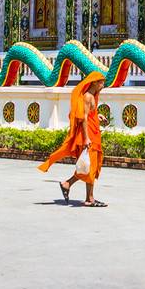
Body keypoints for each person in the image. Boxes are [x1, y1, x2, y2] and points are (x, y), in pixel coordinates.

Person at [38, 71, 106, 207]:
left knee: (91, 166)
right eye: (100, 82)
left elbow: (89, 114)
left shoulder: (92, 96)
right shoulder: (87, 97)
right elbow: (83, 118)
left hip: (94, 132)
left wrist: (97, 116)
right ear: (93, 82)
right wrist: (86, 138)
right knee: (89, 166)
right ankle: (70, 185)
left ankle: (88, 197)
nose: (102, 85)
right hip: (88, 135)